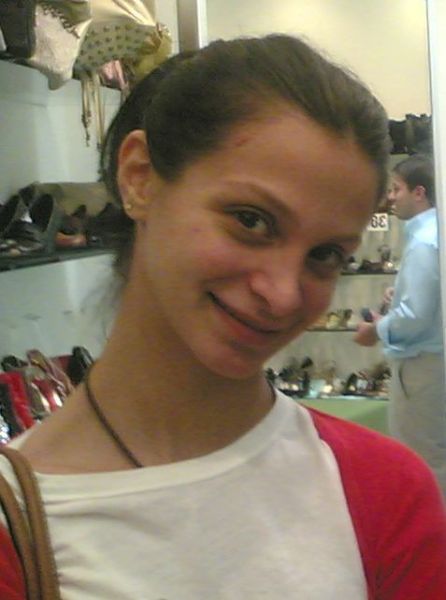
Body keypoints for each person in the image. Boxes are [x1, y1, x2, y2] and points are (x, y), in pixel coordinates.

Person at [1, 35, 446, 600]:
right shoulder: (19, 525)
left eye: (325, 254)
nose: (282, 295)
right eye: (251, 220)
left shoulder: (383, 490)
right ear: (139, 176)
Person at [354, 154, 446, 496]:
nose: (390, 197)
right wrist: (402, 295)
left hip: (423, 366)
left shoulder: (424, 242)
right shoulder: (437, 234)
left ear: (419, 193)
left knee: (424, 457)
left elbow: (416, 317)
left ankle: (433, 527)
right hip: (434, 362)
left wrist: (377, 329)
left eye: (396, 189)